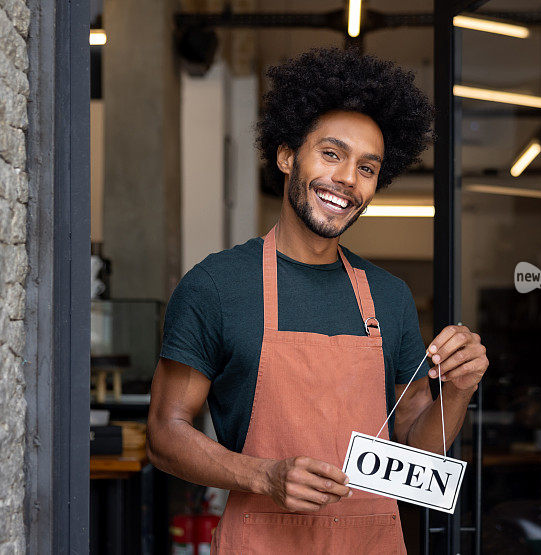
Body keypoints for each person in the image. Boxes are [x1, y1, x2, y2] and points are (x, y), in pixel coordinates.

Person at [147, 47, 489, 554]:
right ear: (287, 156)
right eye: (331, 154)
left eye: (367, 168)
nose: (348, 179)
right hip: (260, 541)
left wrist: (458, 389)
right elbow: (164, 432)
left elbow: (418, 451)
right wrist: (264, 476)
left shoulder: (388, 297)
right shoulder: (217, 286)